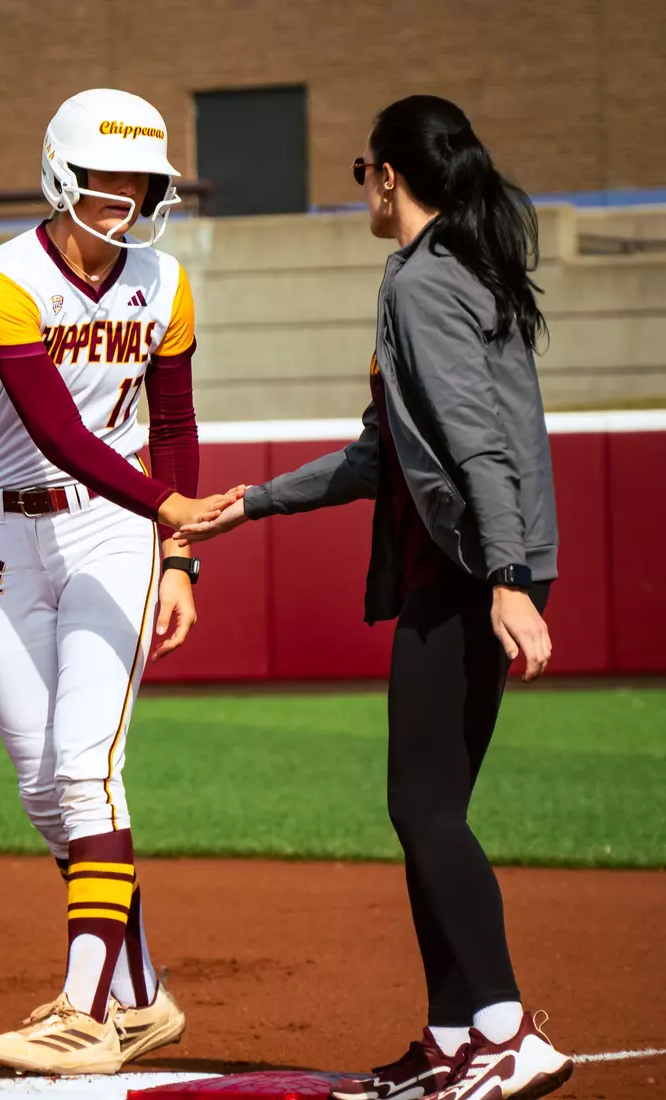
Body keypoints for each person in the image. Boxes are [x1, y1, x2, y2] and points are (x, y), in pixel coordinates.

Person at [177, 96, 573, 1100]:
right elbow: (377, 455)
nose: (360, 183)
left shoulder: (421, 280)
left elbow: (480, 444)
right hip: (470, 564)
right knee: (425, 808)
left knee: (424, 808)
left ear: (386, 176)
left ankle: (505, 1025)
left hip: (466, 572)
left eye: (363, 167)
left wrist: (507, 581)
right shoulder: (450, 272)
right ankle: (452, 1035)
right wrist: (251, 503)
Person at [0, 87, 239, 1076]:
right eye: (106, 177)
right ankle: (140, 994)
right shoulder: (1, 278)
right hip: (0, 530)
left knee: (86, 765)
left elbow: (173, 425)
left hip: (113, 538)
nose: (125, 195)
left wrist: (176, 555)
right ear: (60, 174)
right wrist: (170, 510)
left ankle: (81, 1012)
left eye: (141, 180)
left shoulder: (165, 282)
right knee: (46, 790)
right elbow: (55, 431)